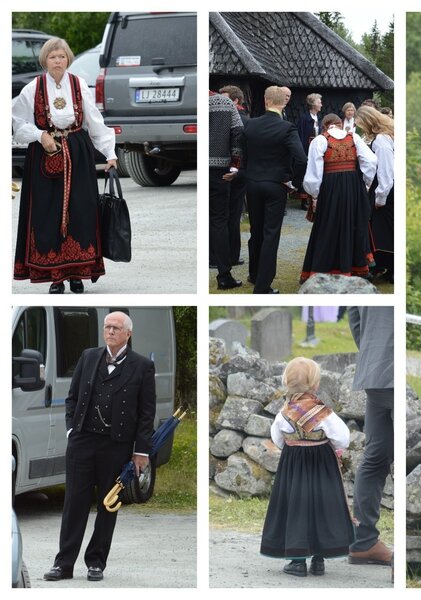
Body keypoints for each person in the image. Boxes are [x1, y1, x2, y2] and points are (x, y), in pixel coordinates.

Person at [44, 312, 156, 582]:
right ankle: (63, 564)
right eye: (107, 327)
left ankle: (96, 563)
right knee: (74, 503)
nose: (110, 331)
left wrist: (141, 451)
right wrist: (72, 429)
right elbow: (72, 397)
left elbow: (146, 413)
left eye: (116, 328)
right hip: (82, 441)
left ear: (128, 333)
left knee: (108, 505)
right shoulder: (89, 356)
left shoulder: (141, 366)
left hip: (116, 446)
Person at [12, 38, 117, 294]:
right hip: (45, 156)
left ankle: (77, 274)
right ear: (44, 61)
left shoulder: (78, 84)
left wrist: (110, 152)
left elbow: (93, 119)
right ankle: (56, 277)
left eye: (61, 56)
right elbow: (15, 119)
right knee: (48, 214)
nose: (57, 61)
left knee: (81, 211)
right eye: (52, 57)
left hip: (78, 153)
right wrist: (40, 136)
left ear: (67, 59)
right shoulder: (33, 88)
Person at [260, 357, 353, 577]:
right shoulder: (324, 413)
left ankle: (297, 561)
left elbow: (277, 439)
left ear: (286, 383)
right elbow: (343, 438)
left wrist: (293, 445)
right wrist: (329, 446)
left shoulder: (283, 414)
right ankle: (319, 560)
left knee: (296, 509)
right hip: (322, 466)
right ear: (316, 385)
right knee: (321, 508)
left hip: (293, 466)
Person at [299, 114, 377, 284]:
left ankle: (324, 269)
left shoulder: (320, 141)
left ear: (325, 126)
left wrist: (314, 195)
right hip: (353, 186)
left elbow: (313, 174)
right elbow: (371, 161)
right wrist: (364, 183)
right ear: (340, 125)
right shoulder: (354, 137)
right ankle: (353, 268)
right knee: (352, 224)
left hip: (330, 187)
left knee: (328, 226)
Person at [244, 85, 306, 294]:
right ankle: (263, 286)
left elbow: (243, 154)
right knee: (271, 234)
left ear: (266, 101)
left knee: (256, 231)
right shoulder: (287, 128)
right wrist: (294, 183)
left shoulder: (250, 125)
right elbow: (301, 159)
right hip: (275, 185)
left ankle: (254, 274)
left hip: (252, 184)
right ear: (282, 102)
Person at [347, 307, 394, 567]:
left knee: (374, 459)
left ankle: (364, 542)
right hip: (394, 369)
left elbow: (354, 315)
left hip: (374, 371)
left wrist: (370, 352)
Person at [356, 106, 394, 283]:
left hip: (385, 189)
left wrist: (380, 197)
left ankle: (388, 268)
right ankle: (384, 267)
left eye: (362, 125)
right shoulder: (386, 136)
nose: (362, 129)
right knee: (382, 230)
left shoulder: (381, 140)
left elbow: (386, 170)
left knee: (383, 231)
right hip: (385, 187)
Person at [209, 90, 243, 289]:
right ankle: (223, 275)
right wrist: (235, 165)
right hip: (219, 170)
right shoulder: (224, 102)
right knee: (219, 220)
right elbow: (238, 132)